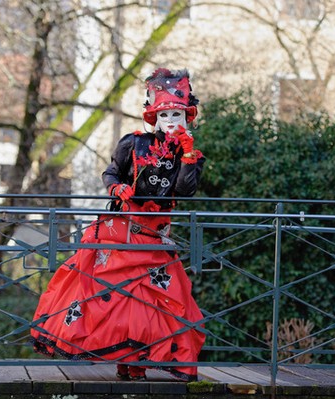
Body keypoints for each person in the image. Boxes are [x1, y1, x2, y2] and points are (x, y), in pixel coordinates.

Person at [30, 68, 206, 382]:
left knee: (161, 301)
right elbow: (110, 174)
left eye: (177, 113)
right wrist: (117, 188)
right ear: (154, 115)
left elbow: (184, 191)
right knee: (114, 299)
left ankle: (136, 363)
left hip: (156, 238)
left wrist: (189, 153)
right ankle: (128, 363)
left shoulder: (190, 154)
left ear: (187, 115)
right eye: (164, 113)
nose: (170, 119)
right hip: (122, 233)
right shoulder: (133, 144)